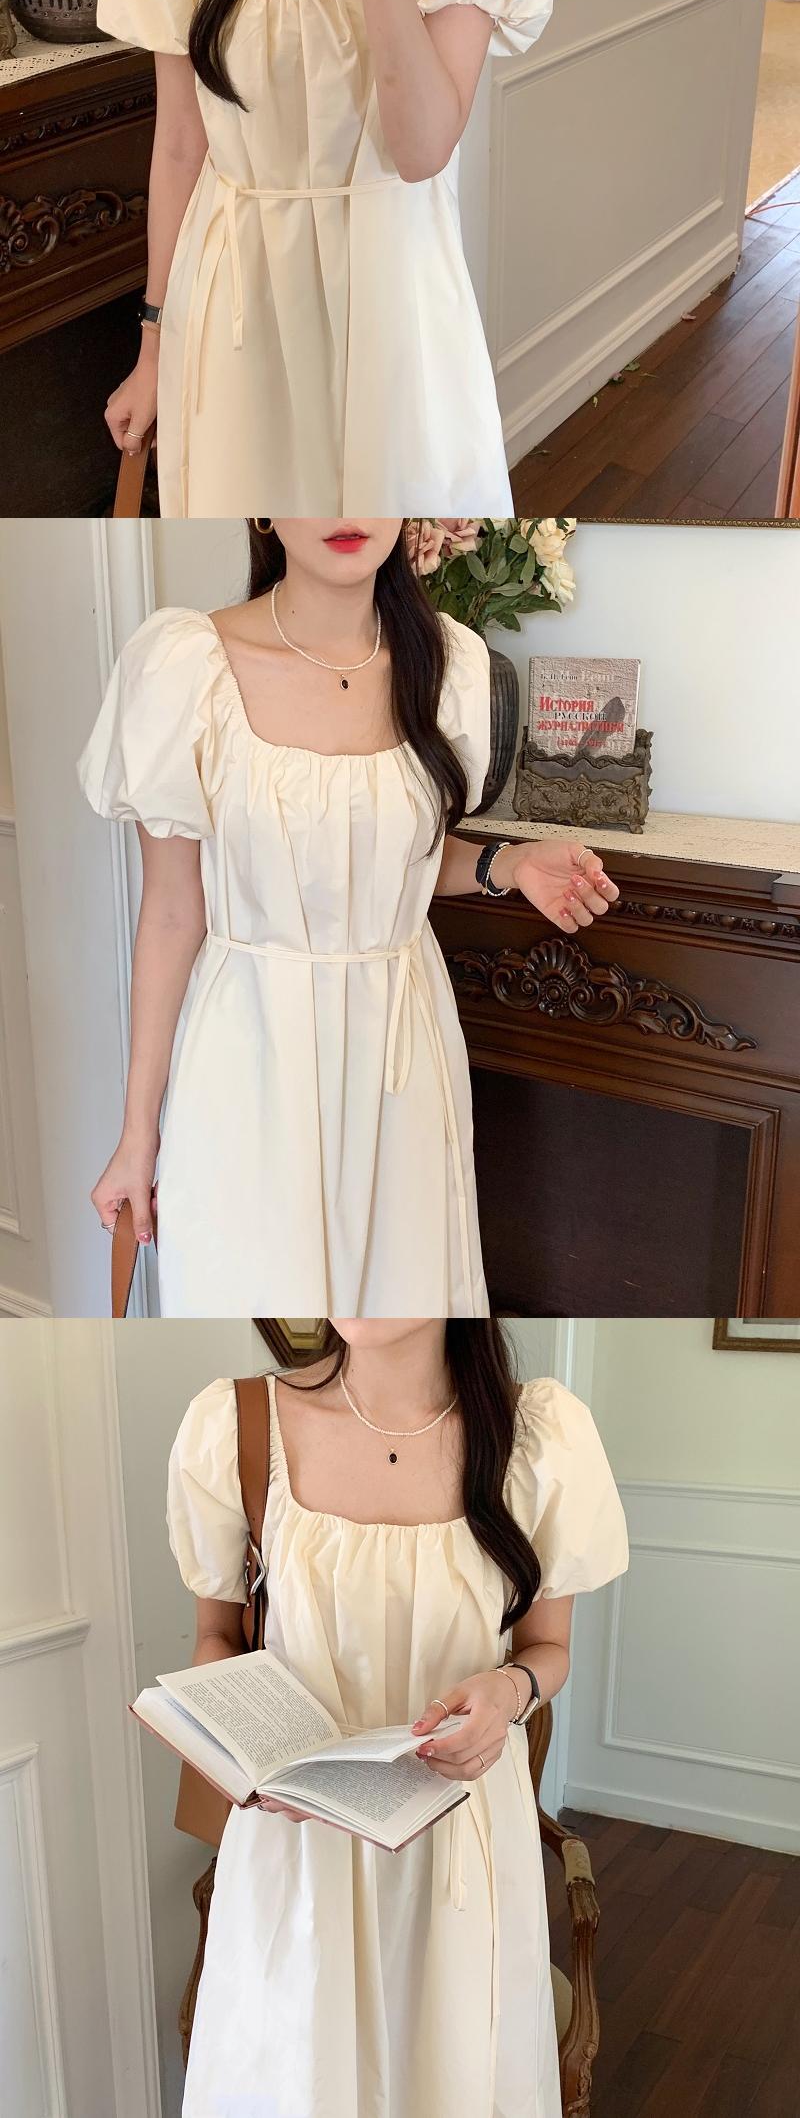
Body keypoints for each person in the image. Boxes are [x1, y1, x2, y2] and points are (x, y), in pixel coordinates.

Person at [79, 519, 619, 1313]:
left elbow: (388, 859)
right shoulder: (187, 668)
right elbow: (169, 913)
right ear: (264, 509)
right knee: (249, 1299)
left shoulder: (446, 662)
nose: (345, 507)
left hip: (402, 1053)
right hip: (248, 1055)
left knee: (403, 1310)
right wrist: (137, 1134)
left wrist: (505, 865)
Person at [168, 1315, 629, 2116]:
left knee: (451, 2079)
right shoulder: (235, 1427)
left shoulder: (540, 1437)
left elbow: (548, 1648)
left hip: (460, 1842)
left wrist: (510, 1693)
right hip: (296, 1847)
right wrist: (248, 1749)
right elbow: (216, 1638)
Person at [97, 0, 555, 515]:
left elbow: (421, 150)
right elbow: (179, 147)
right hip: (232, 304)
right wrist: (154, 346)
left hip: (393, 299)